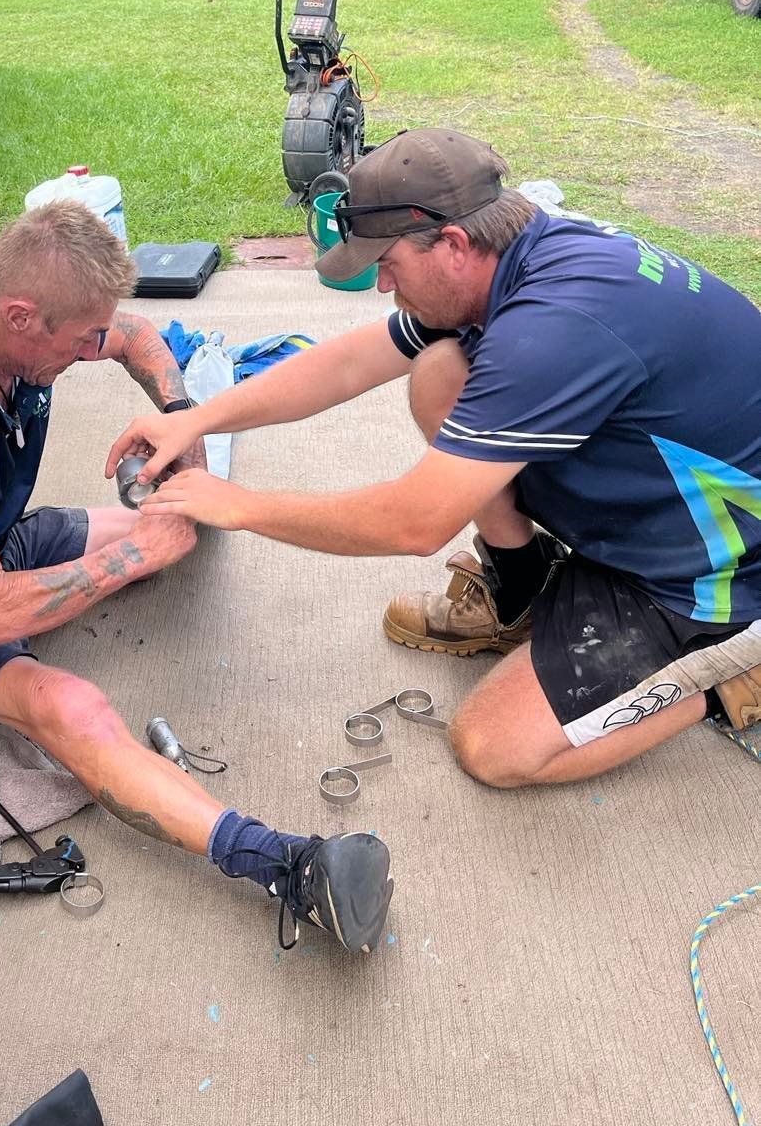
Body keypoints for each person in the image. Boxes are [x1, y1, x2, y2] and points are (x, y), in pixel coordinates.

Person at [0, 200, 393, 955]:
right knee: (75, 705)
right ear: (23, 317)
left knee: (193, 516)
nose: (96, 346)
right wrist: (134, 555)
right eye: (80, 337)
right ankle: (286, 866)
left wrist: (181, 425)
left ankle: (143, 526)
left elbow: (134, 335)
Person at [109, 129, 761, 788]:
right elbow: (349, 363)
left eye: (387, 264)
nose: (382, 283)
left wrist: (241, 506)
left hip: (715, 571)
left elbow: (414, 523)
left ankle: (731, 678)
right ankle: (525, 591)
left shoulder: (554, 329)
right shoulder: (515, 257)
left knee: (495, 747)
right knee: (440, 371)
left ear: (450, 244)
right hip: (661, 505)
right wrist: (195, 418)